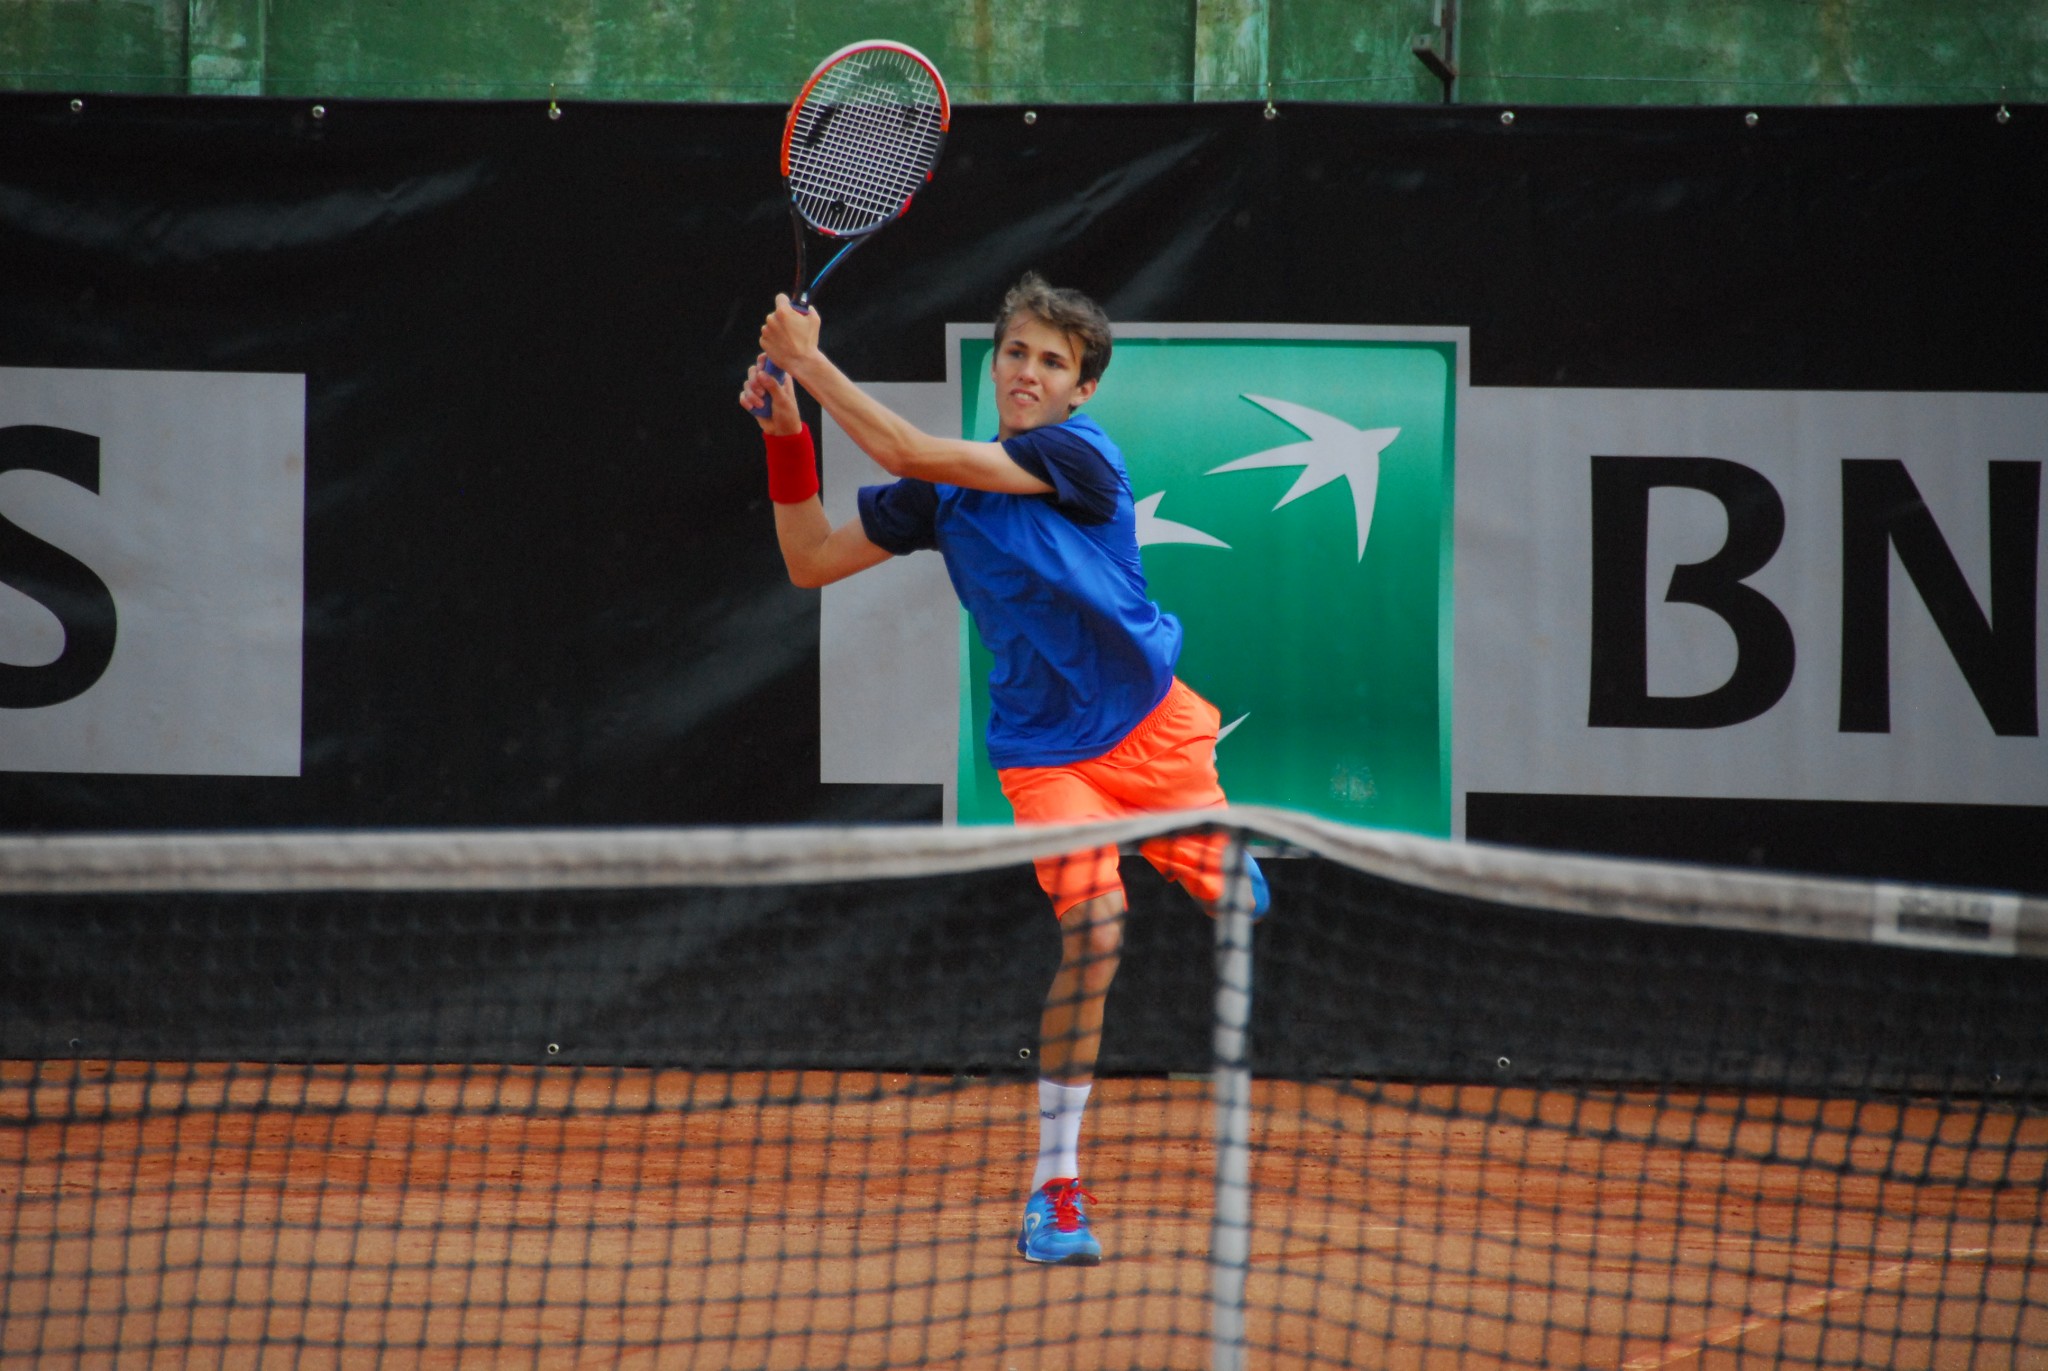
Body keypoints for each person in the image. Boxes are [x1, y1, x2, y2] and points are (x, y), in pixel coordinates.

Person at [738, 273, 1268, 1267]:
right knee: (1096, 932)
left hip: (1155, 738)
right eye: (1014, 353)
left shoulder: (1075, 457)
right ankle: (1056, 1190)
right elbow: (808, 559)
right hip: (1044, 757)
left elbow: (902, 446)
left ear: (1081, 391)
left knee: (1238, 903)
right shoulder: (940, 495)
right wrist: (784, 430)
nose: (1027, 372)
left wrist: (808, 360)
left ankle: (1195, 846)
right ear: (995, 363)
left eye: (1052, 362)